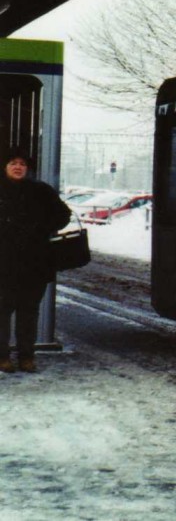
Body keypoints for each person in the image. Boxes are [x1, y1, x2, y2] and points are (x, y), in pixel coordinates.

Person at [0, 147, 71, 373]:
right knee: (2, 312)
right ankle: (2, 357)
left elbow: (63, 215)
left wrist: (43, 228)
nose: (18, 167)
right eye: (13, 163)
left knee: (28, 313)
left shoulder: (41, 191)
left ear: (27, 168)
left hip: (34, 264)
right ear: (5, 167)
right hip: (3, 264)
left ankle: (26, 357)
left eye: (22, 164)